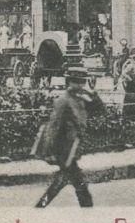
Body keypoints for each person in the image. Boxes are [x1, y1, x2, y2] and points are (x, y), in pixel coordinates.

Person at [34, 68, 103, 208]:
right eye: (76, 82)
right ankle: (88, 212)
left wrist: (92, 93)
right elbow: (53, 127)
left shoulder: (80, 99)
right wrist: (50, 151)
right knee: (79, 185)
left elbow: (99, 109)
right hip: (63, 148)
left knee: (61, 182)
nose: (80, 85)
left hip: (72, 148)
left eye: (82, 82)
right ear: (68, 82)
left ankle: (40, 206)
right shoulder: (63, 100)